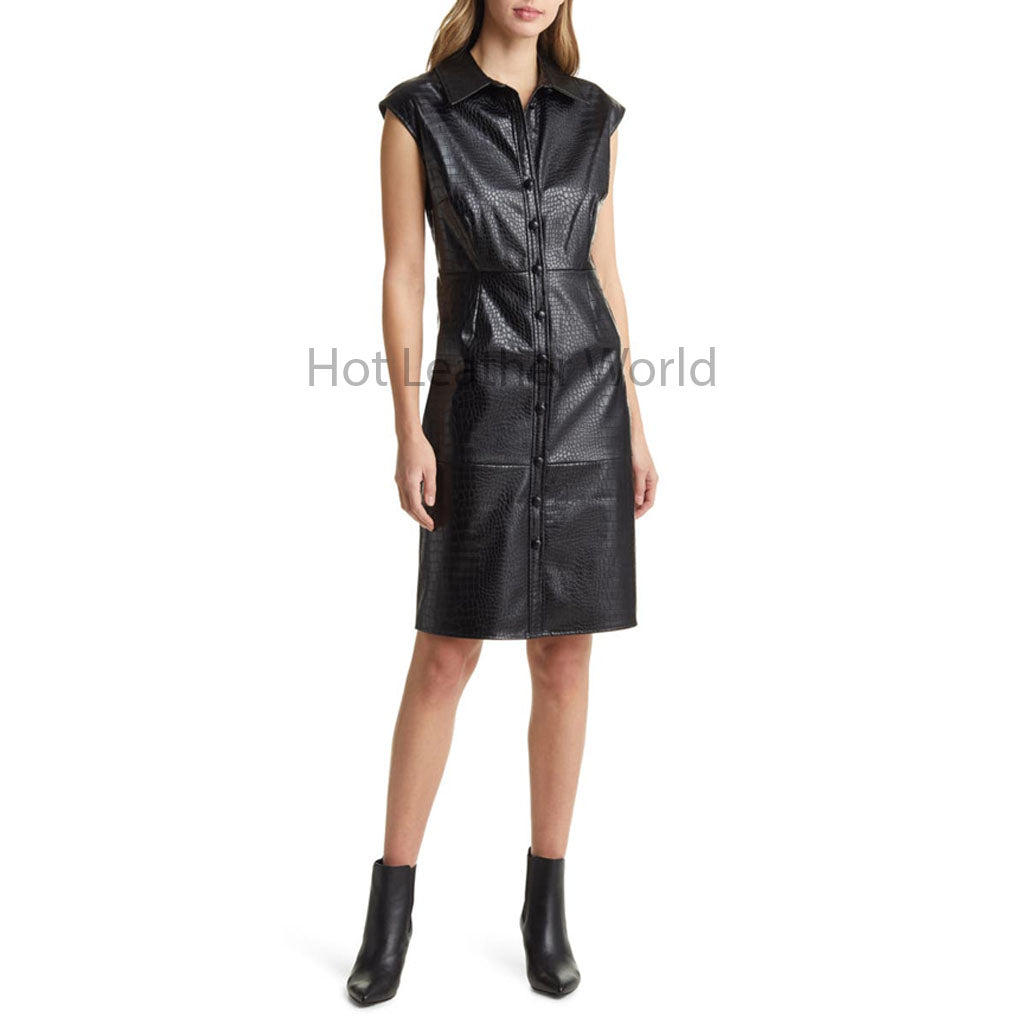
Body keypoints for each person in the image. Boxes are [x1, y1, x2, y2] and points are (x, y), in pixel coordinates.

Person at [346, 0, 657, 1004]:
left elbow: (604, 270)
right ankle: (390, 911)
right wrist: (408, 428)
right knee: (445, 653)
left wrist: (635, 423)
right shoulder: (417, 114)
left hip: (588, 408)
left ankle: (545, 906)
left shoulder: (593, 115)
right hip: (474, 406)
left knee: (565, 657)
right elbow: (402, 275)